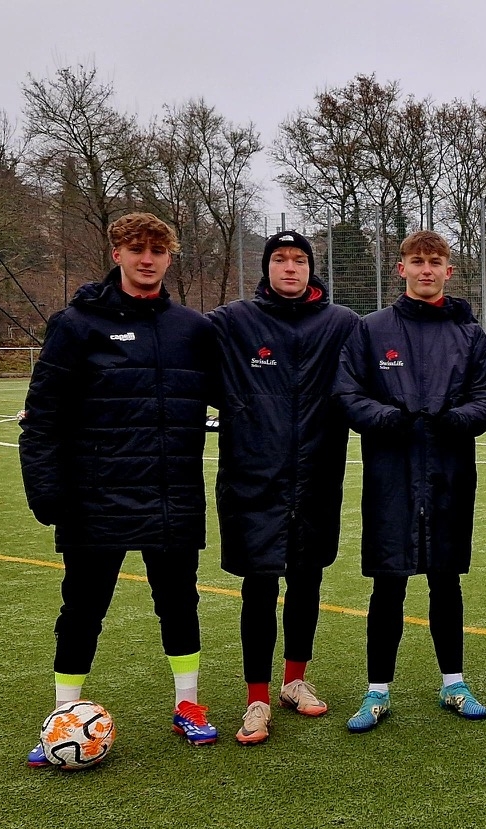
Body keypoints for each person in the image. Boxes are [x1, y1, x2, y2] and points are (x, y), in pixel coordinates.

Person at [19, 212, 219, 765]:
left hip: (172, 494)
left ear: (170, 256)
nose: (147, 259)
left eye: (157, 249)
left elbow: (242, 397)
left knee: (179, 602)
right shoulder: (76, 325)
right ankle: (62, 718)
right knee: (83, 608)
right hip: (94, 497)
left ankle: (188, 706)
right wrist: (45, 490)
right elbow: (41, 415)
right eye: (136, 249)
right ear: (117, 254)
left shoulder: (192, 329)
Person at [333, 230, 486, 732]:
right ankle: (377, 691)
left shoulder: (469, 334)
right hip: (392, 473)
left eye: (435, 261)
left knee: (446, 580)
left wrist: (457, 420)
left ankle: (454, 683)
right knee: (389, 581)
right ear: (401, 268)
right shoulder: (371, 329)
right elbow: (347, 392)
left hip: (450, 473)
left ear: (449, 271)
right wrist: (387, 419)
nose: (426, 269)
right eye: (417, 261)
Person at [208, 230, 359, 746]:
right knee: (259, 587)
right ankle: (257, 697)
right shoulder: (234, 321)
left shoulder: (341, 323)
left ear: (311, 268)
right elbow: (176, 361)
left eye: (298, 259)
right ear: (266, 267)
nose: (289, 267)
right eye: (280, 259)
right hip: (253, 480)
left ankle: (295, 680)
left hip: (317, 478)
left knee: (307, 581)